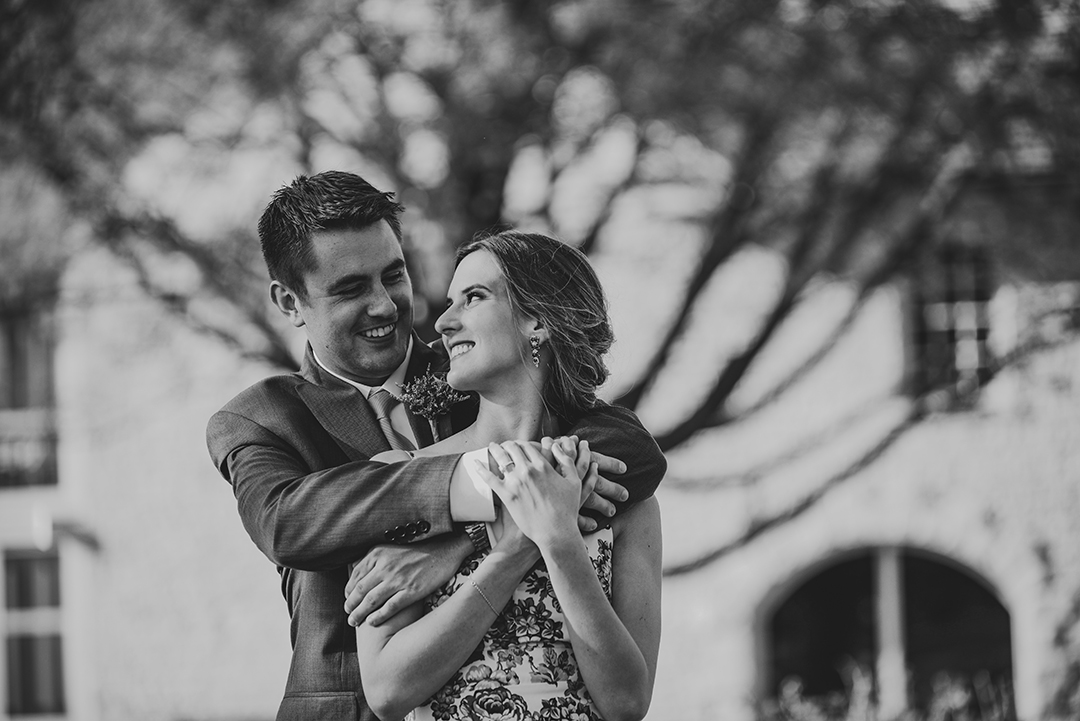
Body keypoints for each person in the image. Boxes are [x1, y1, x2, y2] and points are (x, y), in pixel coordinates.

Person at [205, 171, 667, 721]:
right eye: (351, 288)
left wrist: (455, 547)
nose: (384, 306)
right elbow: (288, 523)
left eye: (394, 275)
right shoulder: (261, 419)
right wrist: (483, 502)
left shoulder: (475, 370)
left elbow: (630, 447)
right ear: (290, 301)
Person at [355, 232, 663, 721]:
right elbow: (388, 691)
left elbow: (627, 703)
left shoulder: (622, 499)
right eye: (450, 301)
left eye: (473, 298)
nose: (442, 321)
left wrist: (560, 542)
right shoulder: (402, 479)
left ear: (537, 320)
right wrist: (509, 554)